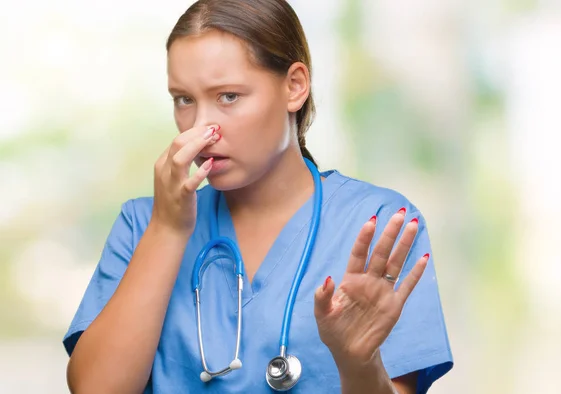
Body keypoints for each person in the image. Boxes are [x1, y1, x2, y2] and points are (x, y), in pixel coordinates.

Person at [62, 0, 453, 393]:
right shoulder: (141, 226)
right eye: (184, 99)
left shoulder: (380, 225)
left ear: (295, 86)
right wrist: (167, 230)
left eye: (228, 96)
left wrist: (359, 363)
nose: (201, 128)